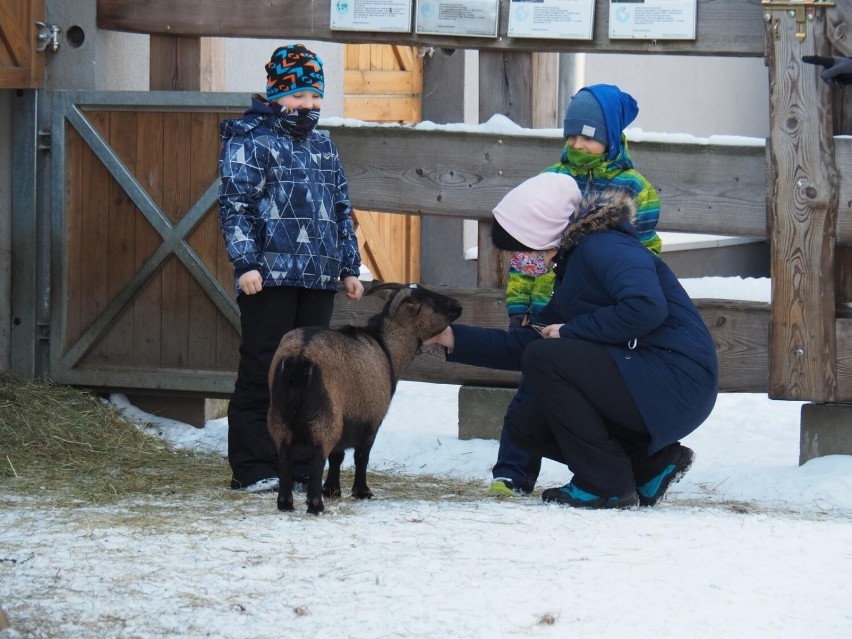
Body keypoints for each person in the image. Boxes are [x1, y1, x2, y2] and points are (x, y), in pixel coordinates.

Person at [427, 172, 718, 509]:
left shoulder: (606, 247)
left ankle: (604, 484)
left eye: (518, 249)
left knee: (545, 357)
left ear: (541, 232)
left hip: (677, 379)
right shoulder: (574, 267)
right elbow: (525, 343)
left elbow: (645, 306)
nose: (515, 261)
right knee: (526, 427)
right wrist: (450, 337)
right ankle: (648, 466)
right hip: (646, 380)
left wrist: (569, 331)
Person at [489, 83, 663, 496]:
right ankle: (513, 471)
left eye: (587, 136)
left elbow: (645, 255)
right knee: (532, 384)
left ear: (611, 135)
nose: (577, 144)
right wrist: (521, 302)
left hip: (595, 311)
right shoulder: (552, 179)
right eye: (571, 135)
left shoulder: (635, 189)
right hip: (546, 304)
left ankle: (597, 471)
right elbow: (526, 245)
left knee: (583, 396)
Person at [218, 44, 364, 493]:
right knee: (265, 364)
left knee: (310, 371)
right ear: (277, 94)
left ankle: (303, 465)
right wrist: (246, 262)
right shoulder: (252, 140)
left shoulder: (323, 145)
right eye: (298, 96)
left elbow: (341, 207)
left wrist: (348, 264)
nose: (309, 106)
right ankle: (255, 463)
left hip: (317, 276)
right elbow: (236, 206)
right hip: (270, 276)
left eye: (315, 96)